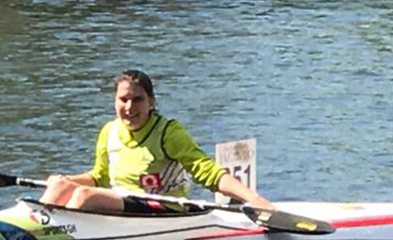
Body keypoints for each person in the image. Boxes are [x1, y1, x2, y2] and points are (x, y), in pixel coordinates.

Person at [39, 69, 272, 213]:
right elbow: (100, 177)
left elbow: (207, 171)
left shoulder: (168, 132)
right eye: (123, 99)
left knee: (83, 196)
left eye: (137, 100)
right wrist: (65, 180)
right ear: (115, 101)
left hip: (162, 206)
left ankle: (52, 233)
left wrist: (253, 198)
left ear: (151, 102)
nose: (129, 108)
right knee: (60, 185)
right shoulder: (109, 131)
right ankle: (36, 224)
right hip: (120, 202)